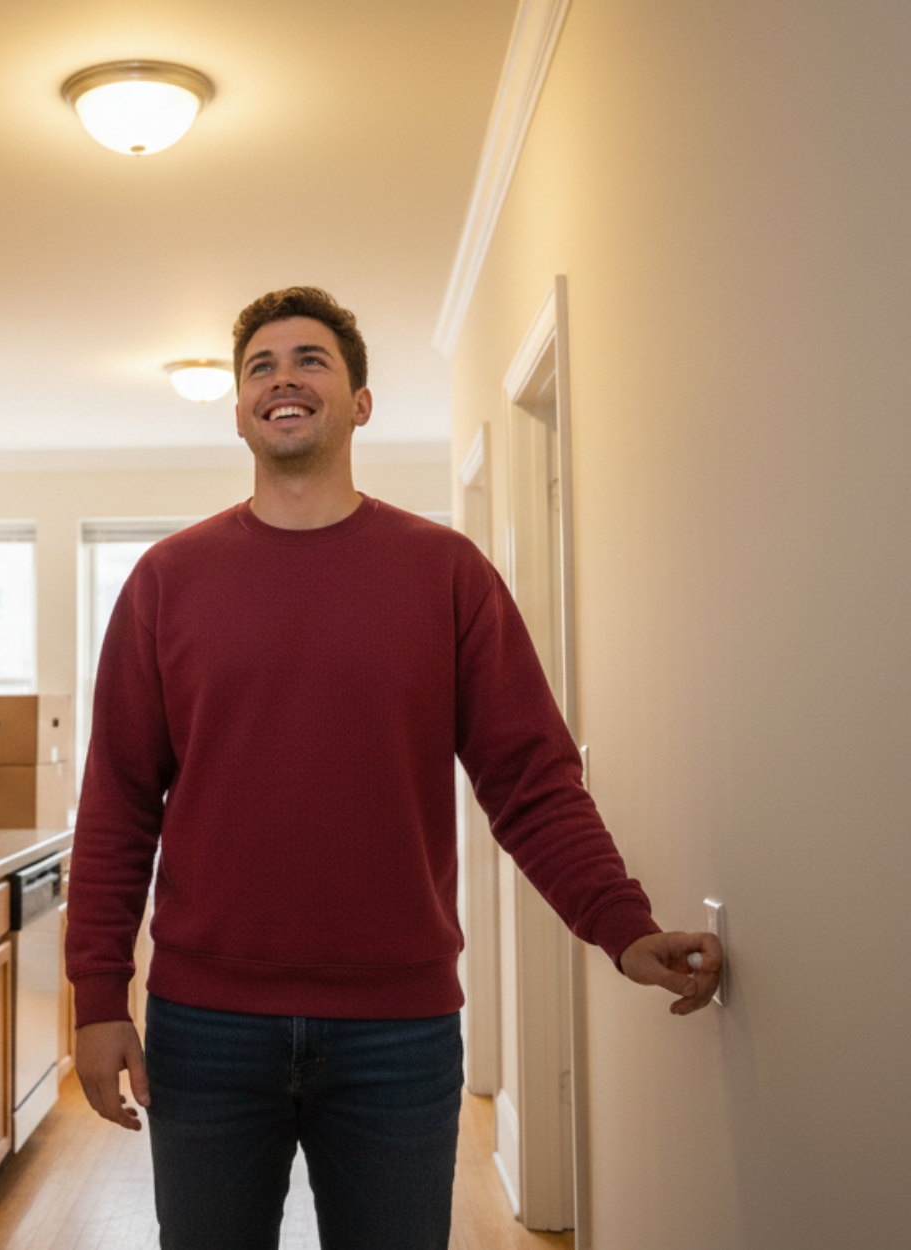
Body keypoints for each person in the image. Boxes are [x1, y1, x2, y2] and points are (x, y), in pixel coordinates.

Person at [63, 286, 722, 1250]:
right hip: (205, 1024)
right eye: (260, 367)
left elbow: (532, 782)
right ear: (242, 408)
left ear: (360, 402)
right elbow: (119, 804)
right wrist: (96, 996)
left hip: (397, 1031)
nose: (282, 378)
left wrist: (619, 926)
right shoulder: (167, 582)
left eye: (311, 360)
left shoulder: (447, 575)